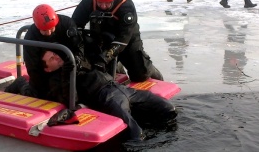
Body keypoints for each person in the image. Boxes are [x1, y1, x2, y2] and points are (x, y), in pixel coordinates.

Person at [39, 50, 178, 141]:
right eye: (51, 58)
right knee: (136, 134)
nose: (56, 57)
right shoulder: (55, 80)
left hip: (121, 88)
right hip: (106, 96)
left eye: (55, 54)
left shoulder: (74, 62)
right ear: (47, 68)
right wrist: (66, 74)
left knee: (169, 109)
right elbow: (69, 99)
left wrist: (80, 63)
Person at [72, 0, 164, 82]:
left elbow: (123, 38)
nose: (103, 6)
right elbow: (75, 24)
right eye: (100, 3)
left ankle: (153, 72)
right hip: (101, 37)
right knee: (97, 70)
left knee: (140, 74)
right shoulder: (89, 1)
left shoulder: (126, 7)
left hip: (127, 39)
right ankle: (117, 67)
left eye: (107, 3)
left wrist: (105, 57)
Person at [20, 4, 84, 99]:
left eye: (51, 29)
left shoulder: (66, 24)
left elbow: (79, 47)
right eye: (45, 31)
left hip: (68, 64)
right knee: (39, 92)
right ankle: (21, 84)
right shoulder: (30, 38)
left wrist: (76, 61)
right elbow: (33, 69)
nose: (49, 33)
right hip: (45, 71)